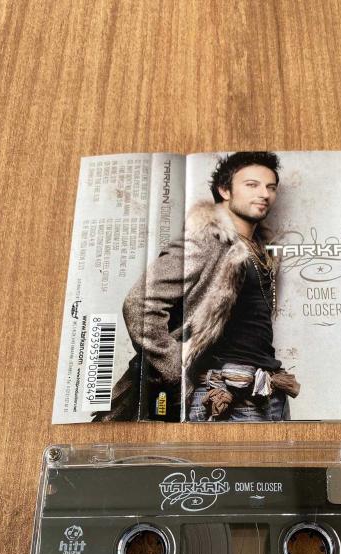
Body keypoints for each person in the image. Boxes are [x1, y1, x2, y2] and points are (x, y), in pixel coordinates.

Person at [93, 151, 299, 422]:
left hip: (268, 391)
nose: (264, 194)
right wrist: (174, 371)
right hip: (223, 397)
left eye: (271, 187)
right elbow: (140, 304)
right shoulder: (208, 241)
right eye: (252, 185)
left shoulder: (260, 251)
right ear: (225, 190)